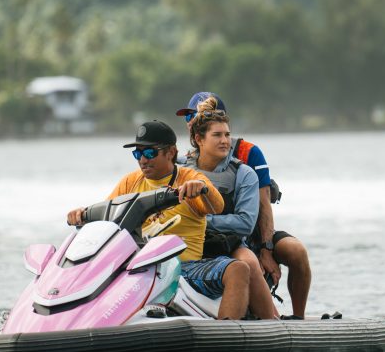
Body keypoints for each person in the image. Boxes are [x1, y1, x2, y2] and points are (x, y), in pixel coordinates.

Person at [66, 120, 250, 320]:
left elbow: (217, 206)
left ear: (171, 152)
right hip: (139, 271)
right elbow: (106, 222)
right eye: (137, 153)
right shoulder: (130, 182)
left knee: (238, 269)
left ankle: (225, 335)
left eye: (150, 153)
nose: (143, 160)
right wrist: (81, 215)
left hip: (185, 269)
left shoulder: (190, 177)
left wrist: (201, 189)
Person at [177, 92, 311, 319]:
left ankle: (289, 321)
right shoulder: (183, 163)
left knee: (289, 252)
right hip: (201, 237)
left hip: (248, 232)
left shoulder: (247, 157)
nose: (189, 121)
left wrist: (266, 249)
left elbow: (261, 206)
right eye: (188, 117)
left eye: (195, 115)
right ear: (199, 137)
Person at [182, 97, 277, 320]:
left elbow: (245, 223)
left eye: (227, 134)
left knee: (249, 262)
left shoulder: (244, 174)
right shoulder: (182, 169)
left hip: (229, 242)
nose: (225, 141)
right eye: (217, 135)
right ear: (199, 139)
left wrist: (203, 222)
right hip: (189, 241)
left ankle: (272, 321)